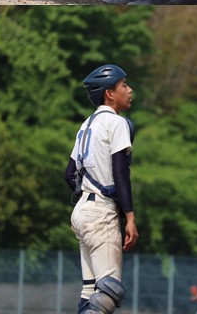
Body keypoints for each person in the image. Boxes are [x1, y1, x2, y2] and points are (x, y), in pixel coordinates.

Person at [63, 65, 137, 314]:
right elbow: (120, 173)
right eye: (124, 85)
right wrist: (129, 216)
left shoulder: (86, 125)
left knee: (90, 291)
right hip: (101, 213)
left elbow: (69, 174)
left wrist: (88, 190)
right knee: (108, 292)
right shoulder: (116, 123)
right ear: (109, 93)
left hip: (82, 210)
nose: (129, 90)